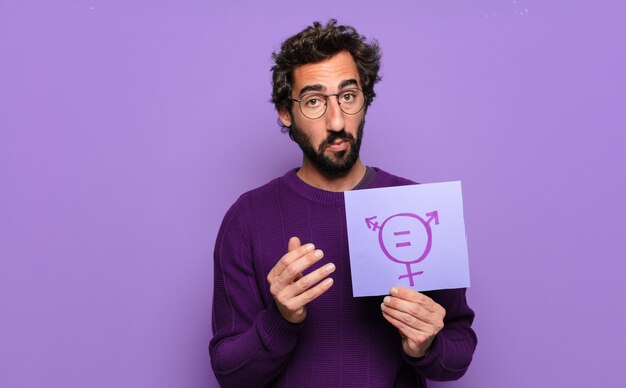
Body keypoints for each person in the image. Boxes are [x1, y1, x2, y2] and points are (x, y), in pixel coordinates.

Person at [209, 20, 477, 387]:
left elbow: (459, 352)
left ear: (365, 100)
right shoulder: (248, 218)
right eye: (315, 101)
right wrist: (281, 317)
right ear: (286, 113)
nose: (337, 121)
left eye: (348, 96)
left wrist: (426, 343)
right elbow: (229, 373)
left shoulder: (417, 208)